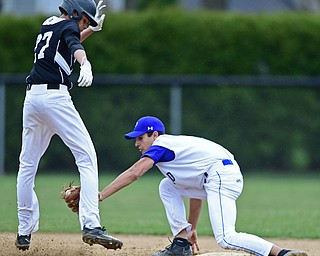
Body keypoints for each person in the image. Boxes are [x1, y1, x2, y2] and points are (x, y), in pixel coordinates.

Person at [99, 116, 308, 256]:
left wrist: (99, 196)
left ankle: (282, 253)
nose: (137, 143)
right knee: (167, 186)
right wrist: (191, 228)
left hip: (221, 175)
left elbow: (135, 172)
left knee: (226, 238)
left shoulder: (162, 145)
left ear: (155, 135)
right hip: (217, 176)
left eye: (140, 137)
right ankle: (181, 243)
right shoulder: (175, 150)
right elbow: (195, 191)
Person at [15, 0, 123, 251]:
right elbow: (74, 44)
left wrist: (89, 31)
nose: (84, 24)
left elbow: (68, 40)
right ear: (74, 12)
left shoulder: (48, 24)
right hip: (56, 99)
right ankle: (91, 224)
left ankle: (23, 231)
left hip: (32, 100)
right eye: (85, 20)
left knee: (27, 165)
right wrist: (84, 63)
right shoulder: (69, 28)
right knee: (86, 157)